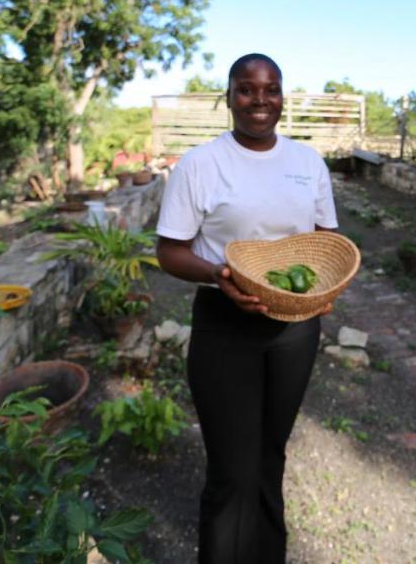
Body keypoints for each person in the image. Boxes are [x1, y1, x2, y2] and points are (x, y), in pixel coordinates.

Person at [155, 53, 338, 564]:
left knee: (270, 456)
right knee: (232, 468)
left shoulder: (308, 163)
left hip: (295, 327)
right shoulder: (199, 165)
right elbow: (170, 251)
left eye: (271, 89)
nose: (261, 100)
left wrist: (323, 285)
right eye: (247, 89)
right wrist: (218, 274)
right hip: (224, 325)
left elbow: (326, 240)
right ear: (229, 97)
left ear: (283, 96)